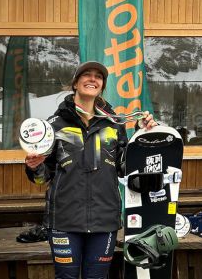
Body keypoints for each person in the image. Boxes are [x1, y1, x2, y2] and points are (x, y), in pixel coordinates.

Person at [24, 61, 156, 279]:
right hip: (64, 221)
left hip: (104, 220)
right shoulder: (53, 125)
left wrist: (141, 137)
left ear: (102, 86)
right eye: (87, 75)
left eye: (98, 76)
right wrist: (35, 166)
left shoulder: (114, 124)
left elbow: (124, 168)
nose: (93, 79)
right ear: (76, 83)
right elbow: (41, 179)